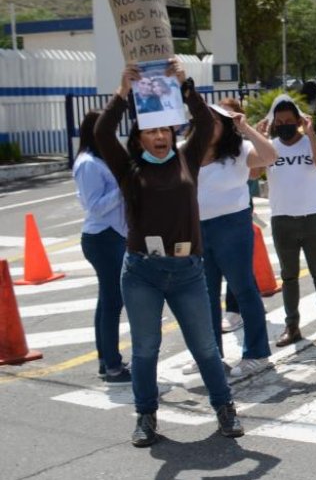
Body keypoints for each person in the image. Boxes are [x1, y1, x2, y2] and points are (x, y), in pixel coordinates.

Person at [94, 58, 243, 447]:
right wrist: (122, 94)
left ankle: (225, 408)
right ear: (139, 137)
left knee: (206, 347)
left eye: (164, 128)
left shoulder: (187, 158)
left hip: (188, 270)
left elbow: (209, 124)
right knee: (145, 350)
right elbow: (102, 131)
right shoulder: (127, 169)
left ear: (172, 129)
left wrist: (185, 86)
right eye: (151, 130)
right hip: (141, 271)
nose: (159, 135)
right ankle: (146, 417)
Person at [184, 98, 278, 379]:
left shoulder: (239, 150)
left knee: (243, 288)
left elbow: (270, 156)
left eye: (215, 121)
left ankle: (257, 353)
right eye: (204, 120)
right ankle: (210, 354)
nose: (208, 126)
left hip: (233, 227)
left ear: (225, 126)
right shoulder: (186, 151)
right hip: (198, 229)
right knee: (205, 295)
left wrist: (245, 127)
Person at [259, 94, 316, 346]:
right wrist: (259, 138)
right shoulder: (270, 147)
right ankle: (292, 326)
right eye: (279, 121)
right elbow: (252, 172)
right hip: (282, 220)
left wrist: (312, 133)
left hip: (312, 218)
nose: (284, 124)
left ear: (298, 121)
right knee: (289, 276)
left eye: (289, 120)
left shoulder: (310, 144)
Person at [72, 111, 129, 383]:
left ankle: (106, 360)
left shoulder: (98, 159)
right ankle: (113, 366)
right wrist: (123, 184)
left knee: (107, 301)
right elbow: (94, 206)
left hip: (111, 236)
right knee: (112, 302)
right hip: (102, 238)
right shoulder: (87, 164)